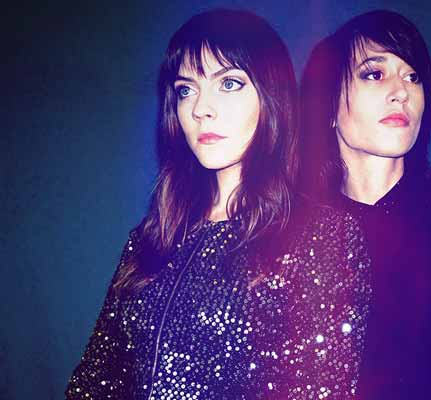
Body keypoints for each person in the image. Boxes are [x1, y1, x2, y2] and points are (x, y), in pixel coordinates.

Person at [66, 9, 371, 399]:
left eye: (228, 83)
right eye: (186, 90)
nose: (200, 108)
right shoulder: (149, 240)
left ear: (271, 98)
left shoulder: (324, 236)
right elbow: (93, 381)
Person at [300, 10, 431, 400]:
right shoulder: (294, 231)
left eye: (413, 77)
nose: (402, 91)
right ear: (327, 104)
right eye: (374, 73)